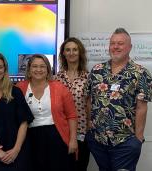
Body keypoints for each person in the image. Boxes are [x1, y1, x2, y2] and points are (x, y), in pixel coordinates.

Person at [85, 28, 152, 171]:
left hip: (125, 142)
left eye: (120, 43)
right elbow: (89, 100)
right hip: (98, 140)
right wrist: (90, 127)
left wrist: (138, 139)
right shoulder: (96, 70)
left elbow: (142, 107)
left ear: (130, 47)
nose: (115, 47)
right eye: (112, 43)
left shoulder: (140, 73)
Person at [16, 54, 78, 171]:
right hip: (29, 138)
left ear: (48, 69)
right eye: (34, 66)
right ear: (29, 69)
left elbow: (72, 115)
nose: (38, 70)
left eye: (42, 66)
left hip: (57, 136)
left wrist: (73, 140)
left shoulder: (60, 88)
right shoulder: (19, 88)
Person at [54, 37, 90, 171]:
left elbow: (90, 106)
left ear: (80, 52)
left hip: (82, 133)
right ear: (63, 53)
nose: (71, 53)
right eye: (68, 50)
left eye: (75, 49)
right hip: (60, 133)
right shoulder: (56, 78)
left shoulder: (89, 78)